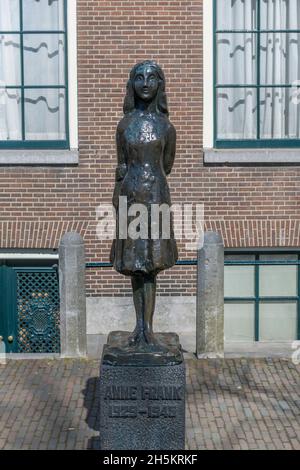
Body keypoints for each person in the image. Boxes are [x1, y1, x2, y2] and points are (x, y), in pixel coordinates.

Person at [110, 60, 178, 350]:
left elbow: (167, 164)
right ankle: (138, 327)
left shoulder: (166, 127)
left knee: (152, 263)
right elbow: (122, 165)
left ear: (160, 85)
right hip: (130, 196)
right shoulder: (124, 126)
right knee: (135, 264)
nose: (146, 83)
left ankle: (148, 329)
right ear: (132, 85)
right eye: (139, 78)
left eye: (152, 78)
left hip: (156, 198)